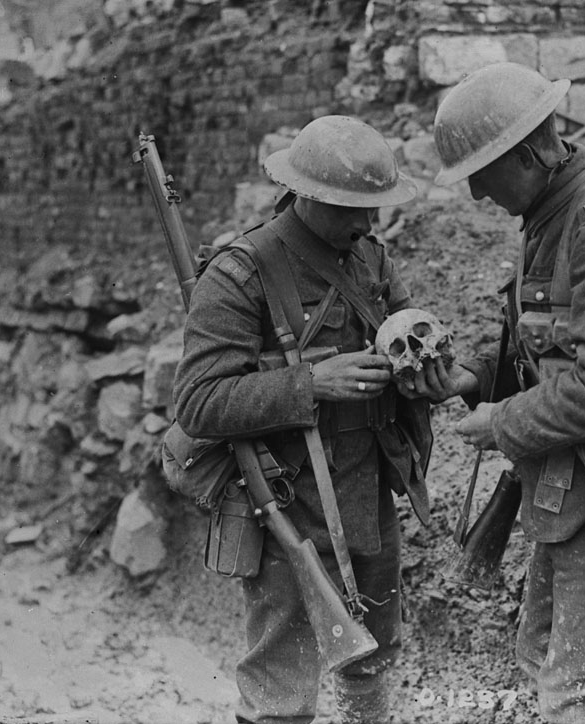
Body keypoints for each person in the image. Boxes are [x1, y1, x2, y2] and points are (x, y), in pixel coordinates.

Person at [403, 62, 585, 723]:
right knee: (543, 658)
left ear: (534, 152)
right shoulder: (552, 213)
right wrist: (475, 377)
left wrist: (501, 423)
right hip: (580, 483)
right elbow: (546, 339)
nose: (479, 192)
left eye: (484, 171)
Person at [173, 115, 431, 724]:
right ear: (308, 197)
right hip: (283, 499)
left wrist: (423, 366)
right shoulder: (241, 272)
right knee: (282, 678)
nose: (368, 223)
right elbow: (199, 402)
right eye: (352, 208)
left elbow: (406, 332)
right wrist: (311, 383)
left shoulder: (371, 260)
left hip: (366, 489)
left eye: (375, 208)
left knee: (372, 657)